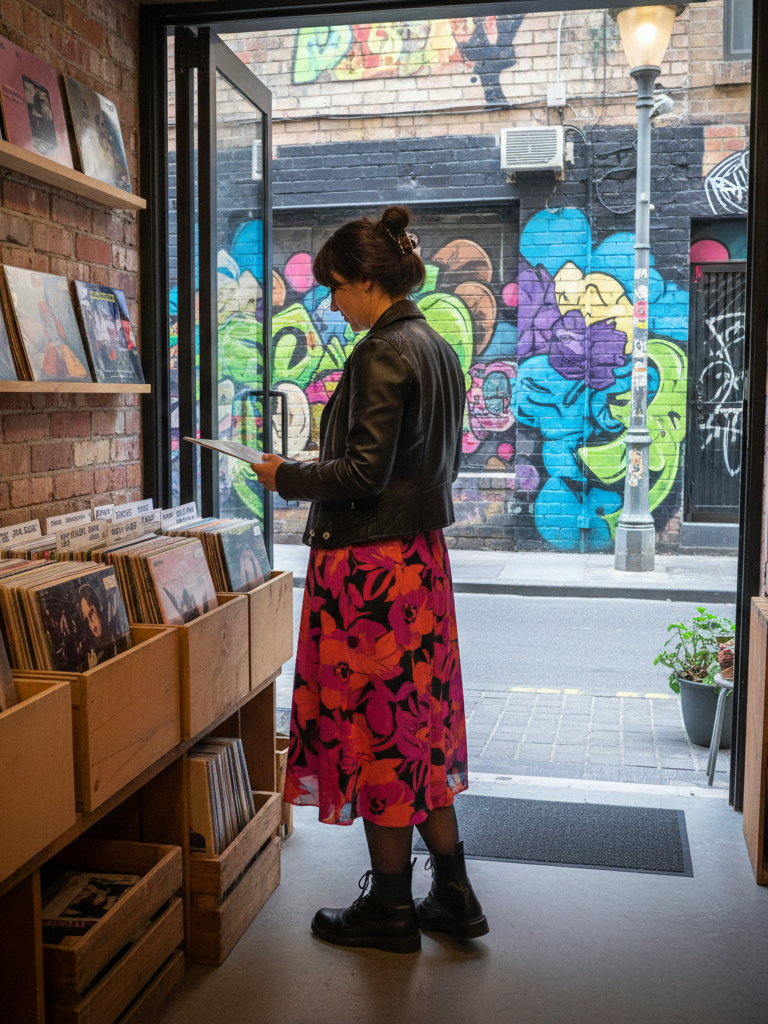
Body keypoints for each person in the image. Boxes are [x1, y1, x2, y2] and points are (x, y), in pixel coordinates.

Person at [252, 205, 488, 954]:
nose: (330, 303)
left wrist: (283, 474)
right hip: (416, 564)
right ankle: (452, 893)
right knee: (417, 731)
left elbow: (361, 472)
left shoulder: (381, 352)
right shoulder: (437, 346)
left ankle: (389, 908)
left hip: (371, 575)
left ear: (366, 283)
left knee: (380, 735)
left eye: (336, 288)